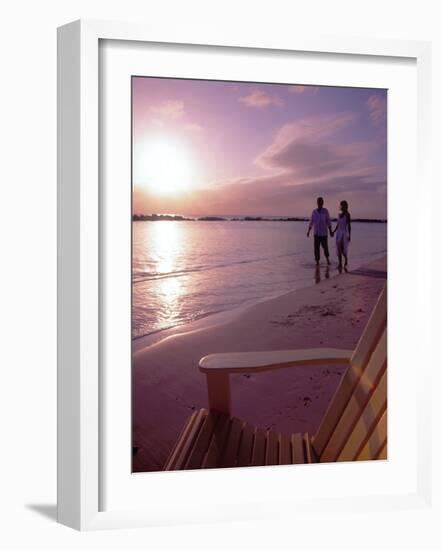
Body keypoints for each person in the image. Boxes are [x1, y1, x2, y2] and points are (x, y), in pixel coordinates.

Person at [307, 197, 332, 265]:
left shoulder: (325, 211)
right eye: (319, 202)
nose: (320, 203)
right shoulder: (314, 212)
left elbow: (328, 221)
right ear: (317, 203)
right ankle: (317, 262)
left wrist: (330, 231)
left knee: (325, 247)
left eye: (321, 202)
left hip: (324, 233)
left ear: (323, 203)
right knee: (316, 248)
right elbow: (311, 221)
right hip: (316, 233)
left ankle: (327, 260)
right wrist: (308, 231)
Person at [332, 200, 351, 271]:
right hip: (338, 233)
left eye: (343, 205)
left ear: (346, 206)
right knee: (338, 248)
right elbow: (338, 224)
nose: (342, 206)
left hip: (344, 233)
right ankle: (340, 263)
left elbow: (349, 225)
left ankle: (346, 258)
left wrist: (349, 235)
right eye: (341, 205)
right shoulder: (339, 214)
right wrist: (333, 231)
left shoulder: (348, 214)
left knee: (343, 249)